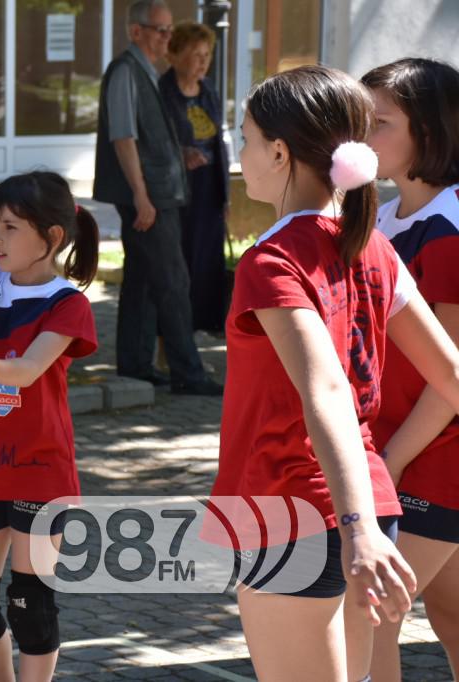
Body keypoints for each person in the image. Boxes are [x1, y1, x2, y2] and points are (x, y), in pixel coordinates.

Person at [209, 64, 459, 682]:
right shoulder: (371, 243)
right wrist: (364, 524)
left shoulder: (272, 259)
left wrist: (358, 529)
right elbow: (454, 375)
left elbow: (325, 391)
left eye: (243, 137)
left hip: (291, 513)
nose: (239, 153)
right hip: (362, 504)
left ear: (278, 150)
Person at [0, 171, 98, 682]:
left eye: (10, 227)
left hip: (40, 469)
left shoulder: (68, 304)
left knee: (32, 607)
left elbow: (28, 370)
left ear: (51, 237)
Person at [361, 58, 459, 682]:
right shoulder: (380, 217)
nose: (362, 135)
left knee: (371, 615)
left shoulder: (449, 229)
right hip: (395, 452)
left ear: (429, 130)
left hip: (433, 458)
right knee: (450, 613)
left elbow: (452, 378)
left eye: (380, 122)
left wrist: (389, 463)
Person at [93, 0, 221, 394]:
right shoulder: (126, 72)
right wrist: (141, 196)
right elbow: (124, 139)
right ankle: (189, 373)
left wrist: (178, 156)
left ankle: (135, 366)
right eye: (160, 30)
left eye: (168, 31)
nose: (168, 37)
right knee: (172, 280)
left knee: (144, 281)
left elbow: (144, 139)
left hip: (158, 191)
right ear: (136, 32)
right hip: (149, 197)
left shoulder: (144, 71)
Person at [158, 22, 230, 333]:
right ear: (173, 56)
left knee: (207, 267)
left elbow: (218, 141)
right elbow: (156, 142)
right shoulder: (163, 91)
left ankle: (196, 336)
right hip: (178, 192)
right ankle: (171, 340)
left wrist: (225, 195)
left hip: (209, 190)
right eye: (195, 54)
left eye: (207, 54)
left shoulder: (209, 89)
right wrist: (181, 154)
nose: (203, 61)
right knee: (179, 268)